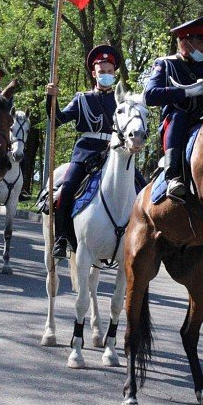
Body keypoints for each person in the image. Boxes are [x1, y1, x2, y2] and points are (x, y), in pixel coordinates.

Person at [45, 44, 125, 258]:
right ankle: (61, 238)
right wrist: (51, 99)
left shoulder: (122, 100)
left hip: (115, 153)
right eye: (102, 72)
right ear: (94, 73)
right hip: (86, 153)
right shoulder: (82, 99)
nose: (106, 75)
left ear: (114, 73)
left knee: (140, 187)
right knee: (67, 189)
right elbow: (58, 119)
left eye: (109, 72)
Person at [143, 14, 203, 202]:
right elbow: (150, 95)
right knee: (178, 116)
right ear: (185, 43)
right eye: (200, 40)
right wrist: (186, 93)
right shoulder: (166, 64)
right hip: (177, 123)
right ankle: (173, 176)